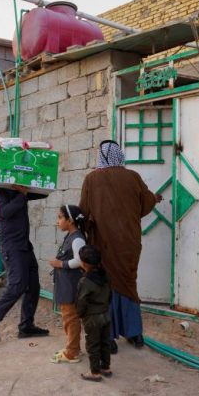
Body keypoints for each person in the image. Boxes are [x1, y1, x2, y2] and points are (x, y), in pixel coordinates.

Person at [79, 140, 159, 353]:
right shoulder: (132, 177)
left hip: (102, 244)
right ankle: (135, 334)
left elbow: (83, 212)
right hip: (129, 244)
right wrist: (155, 199)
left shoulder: (91, 179)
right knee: (129, 284)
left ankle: (109, 337)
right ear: (119, 156)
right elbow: (146, 203)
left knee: (106, 286)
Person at [0, 185, 49, 343]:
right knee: (17, 285)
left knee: (33, 286)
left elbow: (42, 194)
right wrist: (22, 194)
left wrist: (42, 182)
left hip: (24, 245)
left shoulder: (18, 191)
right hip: (11, 247)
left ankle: (26, 325)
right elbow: (5, 212)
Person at [49, 204, 87, 364]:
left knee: (71, 317)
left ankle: (72, 352)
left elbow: (80, 261)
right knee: (68, 316)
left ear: (70, 220)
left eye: (60, 217)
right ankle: (73, 348)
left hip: (71, 284)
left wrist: (60, 264)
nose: (58, 221)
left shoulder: (77, 238)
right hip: (66, 283)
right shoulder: (71, 236)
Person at [76, 245, 112, 382]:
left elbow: (81, 301)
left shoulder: (85, 281)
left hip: (92, 317)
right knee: (105, 342)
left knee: (93, 344)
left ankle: (94, 372)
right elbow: (110, 295)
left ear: (84, 264)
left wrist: (80, 314)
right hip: (105, 314)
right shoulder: (106, 275)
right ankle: (106, 368)